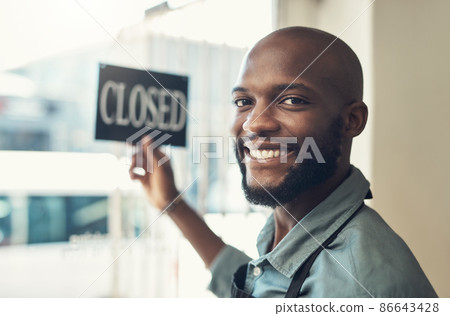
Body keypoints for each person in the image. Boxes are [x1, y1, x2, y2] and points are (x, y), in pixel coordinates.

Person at [129, 26, 437, 298]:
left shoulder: (359, 286)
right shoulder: (294, 218)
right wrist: (172, 203)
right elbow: (259, 291)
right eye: (243, 102)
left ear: (351, 120)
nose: (253, 124)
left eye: (292, 100)